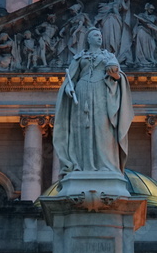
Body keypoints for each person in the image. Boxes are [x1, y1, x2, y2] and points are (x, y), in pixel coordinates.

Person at [53, 28, 133, 173]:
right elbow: (70, 79)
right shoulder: (79, 57)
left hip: (102, 92)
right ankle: (81, 165)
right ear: (88, 39)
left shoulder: (109, 56)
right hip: (82, 92)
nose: (99, 38)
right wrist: (68, 90)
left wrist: (114, 74)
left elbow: (117, 75)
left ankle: (106, 165)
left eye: (100, 35)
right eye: (96, 35)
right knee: (82, 128)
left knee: (104, 128)